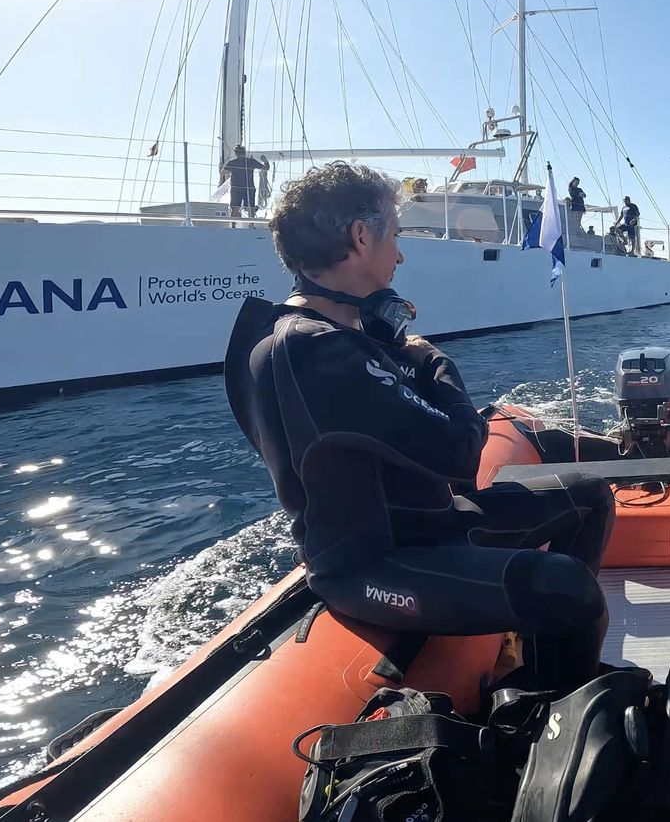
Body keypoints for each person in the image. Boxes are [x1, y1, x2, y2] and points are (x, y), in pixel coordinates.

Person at [224, 162, 614, 692]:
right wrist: (434, 362)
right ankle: (552, 718)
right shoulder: (314, 349)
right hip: (374, 566)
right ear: (361, 237)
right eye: (396, 236)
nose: (401, 254)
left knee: (589, 497)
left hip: (431, 524)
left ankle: (537, 661)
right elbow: (459, 455)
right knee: (570, 590)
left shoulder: (327, 336)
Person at [221, 145, 269, 218]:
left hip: (236, 188)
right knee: (250, 208)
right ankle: (252, 224)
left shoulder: (232, 162)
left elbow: (223, 172)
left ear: (236, 153)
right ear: (244, 152)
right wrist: (265, 161)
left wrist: (231, 171)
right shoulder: (251, 161)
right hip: (249, 187)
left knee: (235, 208)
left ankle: (233, 226)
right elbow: (266, 168)